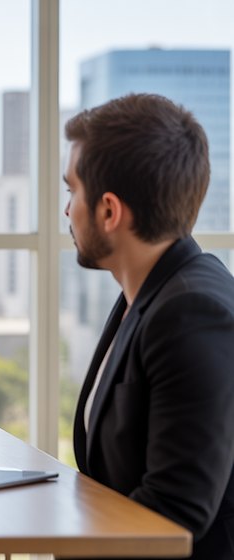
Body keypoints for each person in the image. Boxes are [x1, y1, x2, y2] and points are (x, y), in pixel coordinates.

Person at [65, 93, 234, 559]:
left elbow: (176, 510)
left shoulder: (193, 312)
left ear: (109, 211)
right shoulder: (148, 291)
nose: (67, 210)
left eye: (71, 191)